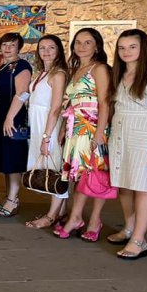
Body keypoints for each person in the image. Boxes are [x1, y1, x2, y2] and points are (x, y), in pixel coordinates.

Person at [108, 29, 147, 259]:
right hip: (120, 135)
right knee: (124, 185)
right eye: (122, 47)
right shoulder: (119, 75)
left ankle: (139, 240)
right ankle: (129, 228)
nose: (126, 52)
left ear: (143, 49)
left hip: (144, 137)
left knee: (143, 187)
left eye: (132, 47)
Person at [56, 28, 112, 240]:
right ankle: (76, 217)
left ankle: (94, 220)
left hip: (93, 127)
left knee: (96, 173)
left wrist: (99, 134)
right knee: (80, 174)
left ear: (97, 46)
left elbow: (105, 102)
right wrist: (64, 128)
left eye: (87, 42)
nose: (81, 46)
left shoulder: (99, 68)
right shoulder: (77, 69)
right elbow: (71, 102)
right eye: (78, 42)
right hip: (76, 128)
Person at [24, 35, 69, 229]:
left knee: (55, 168)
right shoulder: (42, 72)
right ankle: (61, 212)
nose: (46, 51)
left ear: (58, 51)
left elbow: (56, 108)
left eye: (51, 47)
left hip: (49, 125)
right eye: (42, 48)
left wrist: (47, 137)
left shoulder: (58, 74)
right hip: (38, 124)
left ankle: (50, 216)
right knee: (49, 166)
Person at [0, 32, 32, 217]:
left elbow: (22, 93)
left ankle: (13, 200)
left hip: (12, 118)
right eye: (5, 44)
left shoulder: (22, 66)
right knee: (5, 159)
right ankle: (9, 197)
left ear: (19, 47)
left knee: (13, 159)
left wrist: (10, 117)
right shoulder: (2, 66)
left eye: (12, 45)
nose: (7, 48)